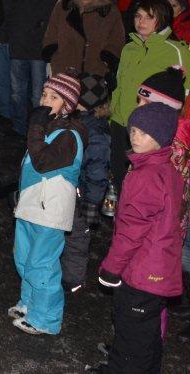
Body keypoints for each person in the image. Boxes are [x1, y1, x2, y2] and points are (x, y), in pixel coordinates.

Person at [95, 103, 183, 372]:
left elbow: (131, 232)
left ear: (161, 137)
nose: (135, 137)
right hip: (159, 270)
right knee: (147, 337)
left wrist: (111, 269)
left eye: (144, 133)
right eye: (133, 130)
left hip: (142, 274)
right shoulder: (168, 171)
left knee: (131, 337)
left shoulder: (145, 176)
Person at [10, 72, 86, 336]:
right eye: (44, 94)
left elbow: (42, 162)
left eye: (54, 97)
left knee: (41, 264)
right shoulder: (48, 129)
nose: (45, 101)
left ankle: (46, 319)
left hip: (50, 209)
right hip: (31, 204)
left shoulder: (70, 135)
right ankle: (29, 304)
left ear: (67, 104)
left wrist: (35, 128)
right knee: (24, 258)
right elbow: (31, 165)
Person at [110, 0, 190, 193]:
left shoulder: (176, 50)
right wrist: (113, 113)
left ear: (161, 19)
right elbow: (120, 84)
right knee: (120, 176)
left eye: (149, 17)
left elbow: (185, 93)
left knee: (147, 184)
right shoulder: (129, 48)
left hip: (151, 129)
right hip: (121, 123)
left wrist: (170, 128)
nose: (141, 21)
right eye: (138, 16)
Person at [60, 73, 111, 294]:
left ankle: (73, 279)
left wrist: (92, 203)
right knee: (65, 233)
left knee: (76, 238)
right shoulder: (76, 121)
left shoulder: (95, 133)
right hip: (69, 188)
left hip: (81, 196)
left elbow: (98, 173)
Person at [4, 0, 59, 136]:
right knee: (17, 92)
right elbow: (10, 15)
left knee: (38, 95)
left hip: (37, 51)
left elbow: (48, 21)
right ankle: (18, 128)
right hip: (18, 49)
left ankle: (37, 130)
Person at [41, 0, 124, 79]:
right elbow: (51, 31)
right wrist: (52, 52)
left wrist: (107, 57)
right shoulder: (65, 7)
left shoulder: (109, 12)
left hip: (95, 70)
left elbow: (117, 39)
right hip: (64, 67)